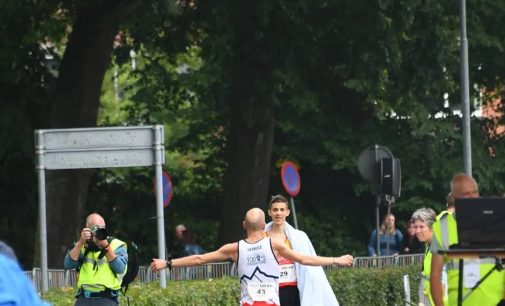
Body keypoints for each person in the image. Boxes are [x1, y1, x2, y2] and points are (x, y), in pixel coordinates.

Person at [150, 208, 354, 306]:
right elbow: (305, 259)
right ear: (264, 223)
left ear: (244, 225)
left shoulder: (235, 249)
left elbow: (199, 259)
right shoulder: (275, 245)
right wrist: (337, 259)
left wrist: (166, 263)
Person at [430, 174, 505, 306]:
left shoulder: (496, 222)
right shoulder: (442, 227)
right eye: (466, 194)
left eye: (475, 192)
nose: (472, 197)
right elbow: (435, 275)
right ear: (454, 197)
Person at [264, 194, 339, 306]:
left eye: (281, 210)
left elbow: (309, 261)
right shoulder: (262, 237)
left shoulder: (299, 237)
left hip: (292, 291)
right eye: (275, 210)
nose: (278, 213)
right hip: (269, 290)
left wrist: (335, 260)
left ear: (287, 212)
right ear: (269, 212)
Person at [64, 213, 128, 306]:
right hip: (84, 299)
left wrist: (106, 247)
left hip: (107, 298)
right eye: (95, 228)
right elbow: (68, 265)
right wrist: (80, 243)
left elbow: (120, 268)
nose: (99, 231)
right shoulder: (82, 246)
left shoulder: (116, 245)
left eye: (102, 228)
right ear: (87, 229)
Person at [411, 208, 436, 306]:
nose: (417, 231)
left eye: (421, 227)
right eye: (415, 227)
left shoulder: (440, 246)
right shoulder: (428, 245)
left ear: (432, 227)